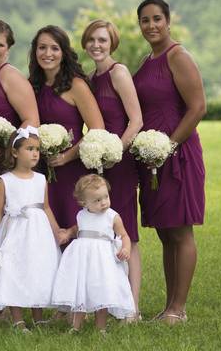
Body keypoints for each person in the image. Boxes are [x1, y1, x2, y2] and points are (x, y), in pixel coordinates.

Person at [133, 0, 206, 324]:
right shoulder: (148, 60)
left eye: (157, 19)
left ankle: (179, 308)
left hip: (178, 155)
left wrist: (169, 146)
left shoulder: (178, 56)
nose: (151, 25)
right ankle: (168, 306)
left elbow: (198, 107)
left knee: (181, 231)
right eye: (145, 20)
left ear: (168, 21)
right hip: (151, 156)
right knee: (165, 231)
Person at [0, 127, 67, 332]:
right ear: (15, 152)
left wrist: (57, 230)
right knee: (14, 271)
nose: (35, 153)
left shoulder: (41, 179)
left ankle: (38, 317)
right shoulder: (5, 180)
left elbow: (46, 207)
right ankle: (17, 319)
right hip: (16, 233)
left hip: (39, 233)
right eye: (29, 149)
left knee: (38, 270)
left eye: (37, 150)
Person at [82, 19, 144, 319]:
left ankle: (132, 307)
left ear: (112, 43)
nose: (96, 45)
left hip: (120, 161)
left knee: (125, 231)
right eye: (91, 39)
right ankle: (104, 299)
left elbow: (136, 120)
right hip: (97, 161)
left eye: (102, 40)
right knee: (101, 228)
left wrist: (115, 152)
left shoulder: (118, 73)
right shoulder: (90, 78)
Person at [28, 25, 104, 230]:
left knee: (72, 225)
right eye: (42, 48)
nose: (47, 54)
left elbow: (97, 130)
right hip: (40, 169)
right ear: (35, 51)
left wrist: (66, 157)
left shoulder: (76, 85)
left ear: (64, 52)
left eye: (54, 48)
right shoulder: (32, 86)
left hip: (72, 170)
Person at [0, 19, 40, 231]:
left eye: (0, 45)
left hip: (3, 162)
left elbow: (32, 120)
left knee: (3, 223)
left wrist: (7, 146)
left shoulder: (11, 76)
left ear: (8, 49)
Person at [51, 174, 136, 332]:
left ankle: (101, 327)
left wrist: (126, 248)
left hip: (103, 262)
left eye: (106, 196)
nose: (104, 202)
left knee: (101, 292)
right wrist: (68, 233)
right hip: (83, 261)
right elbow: (78, 228)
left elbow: (124, 235)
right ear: (84, 202)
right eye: (97, 200)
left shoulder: (112, 216)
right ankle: (76, 325)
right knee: (80, 290)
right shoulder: (81, 215)